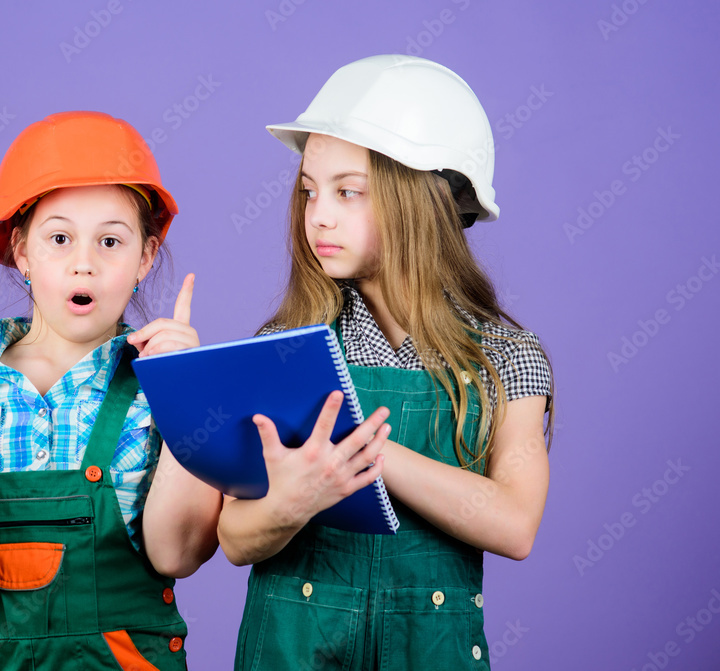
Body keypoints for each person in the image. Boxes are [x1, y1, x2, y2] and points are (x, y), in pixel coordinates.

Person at [219, 55, 554, 670]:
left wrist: (360, 453)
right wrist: (290, 502)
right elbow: (235, 539)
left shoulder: (506, 356)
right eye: (309, 191)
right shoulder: (286, 346)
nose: (318, 214)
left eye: (347, 192)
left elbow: (514, 523)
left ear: (423, 201)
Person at [0, 111, 222, 670]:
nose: (84, 263)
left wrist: (184, 395)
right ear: (22, 252)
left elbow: (177, 554)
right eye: (59, 238)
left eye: (111, 241)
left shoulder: (165, 390)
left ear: (145, 258)